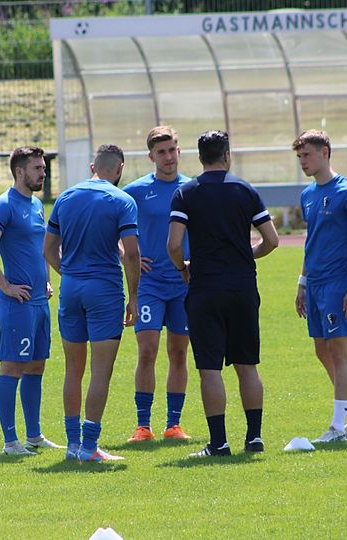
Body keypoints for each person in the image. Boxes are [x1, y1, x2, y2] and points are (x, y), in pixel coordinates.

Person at [168, 130, 279, 457]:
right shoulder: (245, 190)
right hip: (242, 286)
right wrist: (247, 255)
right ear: (227, 155)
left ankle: (219, 442)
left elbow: (173, 244)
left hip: (205, 287)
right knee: (247, 364)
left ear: (200, 158)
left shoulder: (186, 193)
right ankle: (254, 437)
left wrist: (182, 267)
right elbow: (272, 240)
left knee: (210, 368)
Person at [43, 144, 141, 462]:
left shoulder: (65, 197)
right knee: (101, 371)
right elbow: (132, 254)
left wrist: (69, 274)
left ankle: (72, 445)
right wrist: (135, 297)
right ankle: (89, 447)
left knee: (73, 369)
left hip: (71, 290)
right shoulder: (122, 200)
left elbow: (48, 249)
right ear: (119, 169)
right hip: (105, 292)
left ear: (92, 167)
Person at [0, 146, 65, 456]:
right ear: (19, 171)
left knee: (36, 366)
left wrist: (47, 280)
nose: (43, 173)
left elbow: (41, 247)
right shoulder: (5, 205)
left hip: (39, 301)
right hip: (18, 304)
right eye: (37, 168)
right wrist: (6, 286)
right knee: (12, 367)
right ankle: (10, 442)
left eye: (44, 168)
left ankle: (34, 436)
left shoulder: (37, 205)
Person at [292, 129, 347, 444]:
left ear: (325, 152)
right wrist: (302, 282)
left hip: (338, 284)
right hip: (314, 284)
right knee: (321, 350)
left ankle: (338, 428)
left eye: (307, 155)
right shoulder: (307, 195)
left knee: (339, 353)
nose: (303, 162)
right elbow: (311, 242)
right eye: (299, 157)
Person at [121, 126, 193, 443]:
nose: (168, 157)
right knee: (147, 350)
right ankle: (143, 426)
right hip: (149, 285)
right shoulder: (135, 191)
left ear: (179, 151)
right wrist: (127, 254)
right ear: (151, 156)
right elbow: (111, 225)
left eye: (172, 150)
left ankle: (173, 425)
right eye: (161, 152)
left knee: (178, 352)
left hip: (184, 284)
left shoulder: (192, 189)